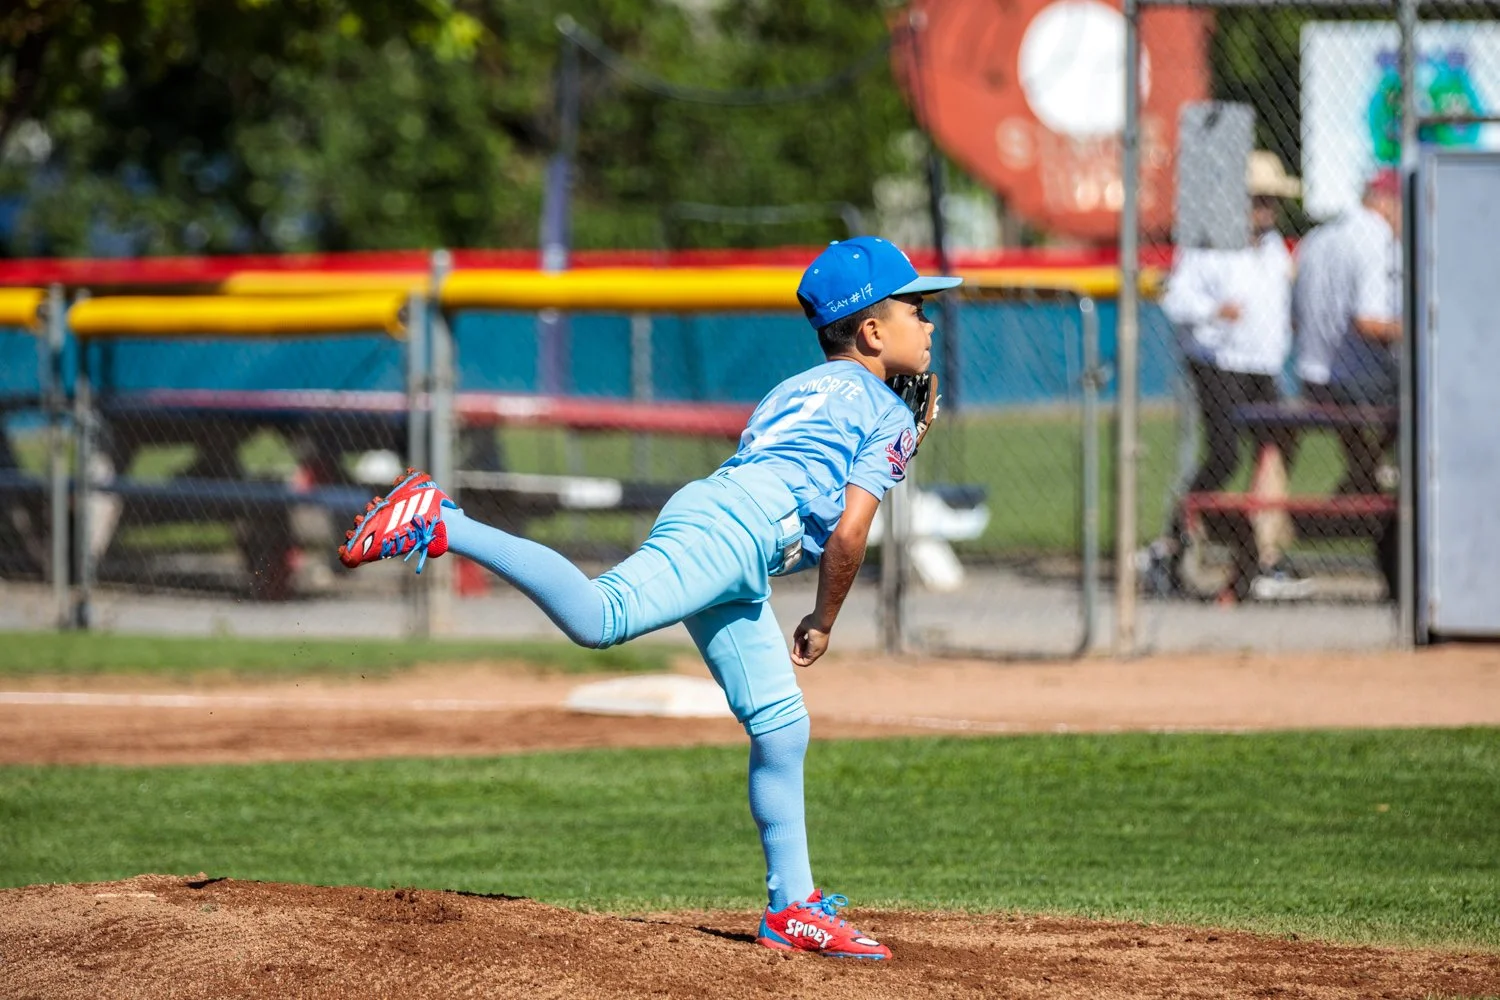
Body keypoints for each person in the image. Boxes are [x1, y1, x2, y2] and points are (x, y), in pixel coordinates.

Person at [337, 236, 960, 961]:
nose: (930, 322)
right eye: (917, 307)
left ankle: (792, 908)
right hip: (737, 532)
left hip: (728, 527)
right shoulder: (883, 410)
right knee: (599, 617)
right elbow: (849, 534)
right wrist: (823, 619)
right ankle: (443, 520)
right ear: (872, 331)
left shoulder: (794, 387)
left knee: (781, 725)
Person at [1158, 151, 1307, 599]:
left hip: (1261, 365)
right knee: (1223, 455)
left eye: (1270, 201)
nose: (1265, 209)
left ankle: (1260, 551)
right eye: (1257, 199)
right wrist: (1214, 311)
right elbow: (1176, 301)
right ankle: (1179, 534)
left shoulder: (1274, 249)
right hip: (1218, 361)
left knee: (1278, 445)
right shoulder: (1209, 242)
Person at [1293, 168, 1403, 495]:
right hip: (1353, 380)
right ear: (1387, 203)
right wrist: (1424, 329)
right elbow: (1368, 323)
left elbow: (1294, 320)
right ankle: (1376, 480)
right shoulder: (1378, 240)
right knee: (1430, 393)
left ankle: (1363, 476)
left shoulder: (1316, 237)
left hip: (1311, 378)